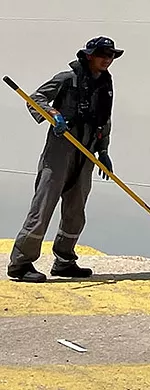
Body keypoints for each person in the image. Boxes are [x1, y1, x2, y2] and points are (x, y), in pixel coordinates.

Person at [7, 37, 121, 283]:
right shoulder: (67, 79)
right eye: (103, 54)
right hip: (61, 149)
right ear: (89, 55)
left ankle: (65, 260)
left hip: (87, 150)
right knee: (44, 205)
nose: (107, 59)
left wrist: (103, 151)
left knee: (76, 208)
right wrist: (53, 114)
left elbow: (105, 119)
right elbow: (36, 98)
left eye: (111, 55)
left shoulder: (105, 85)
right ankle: (21, 263)